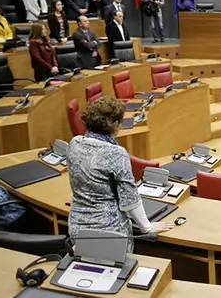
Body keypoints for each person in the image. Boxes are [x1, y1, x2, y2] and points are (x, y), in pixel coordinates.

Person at [67, 97, 174, 251]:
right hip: (108, 233)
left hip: (77, 228)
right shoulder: (115, 153)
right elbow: (129, 199)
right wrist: (147, 227)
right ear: (116, 124)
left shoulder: (75, 143)